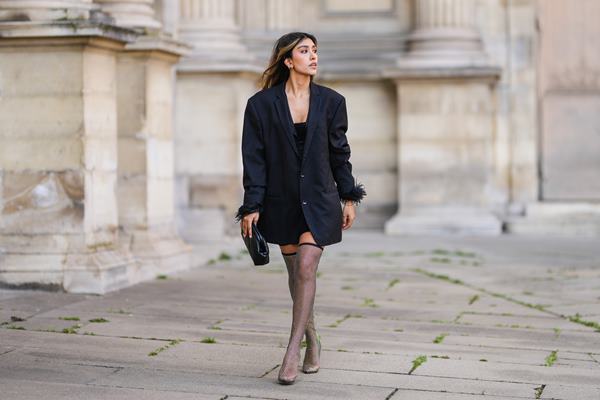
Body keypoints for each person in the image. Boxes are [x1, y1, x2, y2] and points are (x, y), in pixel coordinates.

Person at [235, 32, 366, 385]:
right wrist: (252, 205)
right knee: (296, 275)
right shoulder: (260, 105)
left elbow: (340, 154)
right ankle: (313, 338)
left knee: (307, 265)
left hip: (320, 199)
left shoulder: (332, 102)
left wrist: (349, 197)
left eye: (315, 51)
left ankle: (291, 350)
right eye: (304, 51)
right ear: (288, 60)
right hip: (282, 201)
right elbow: (254, 160)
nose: (313, 57)